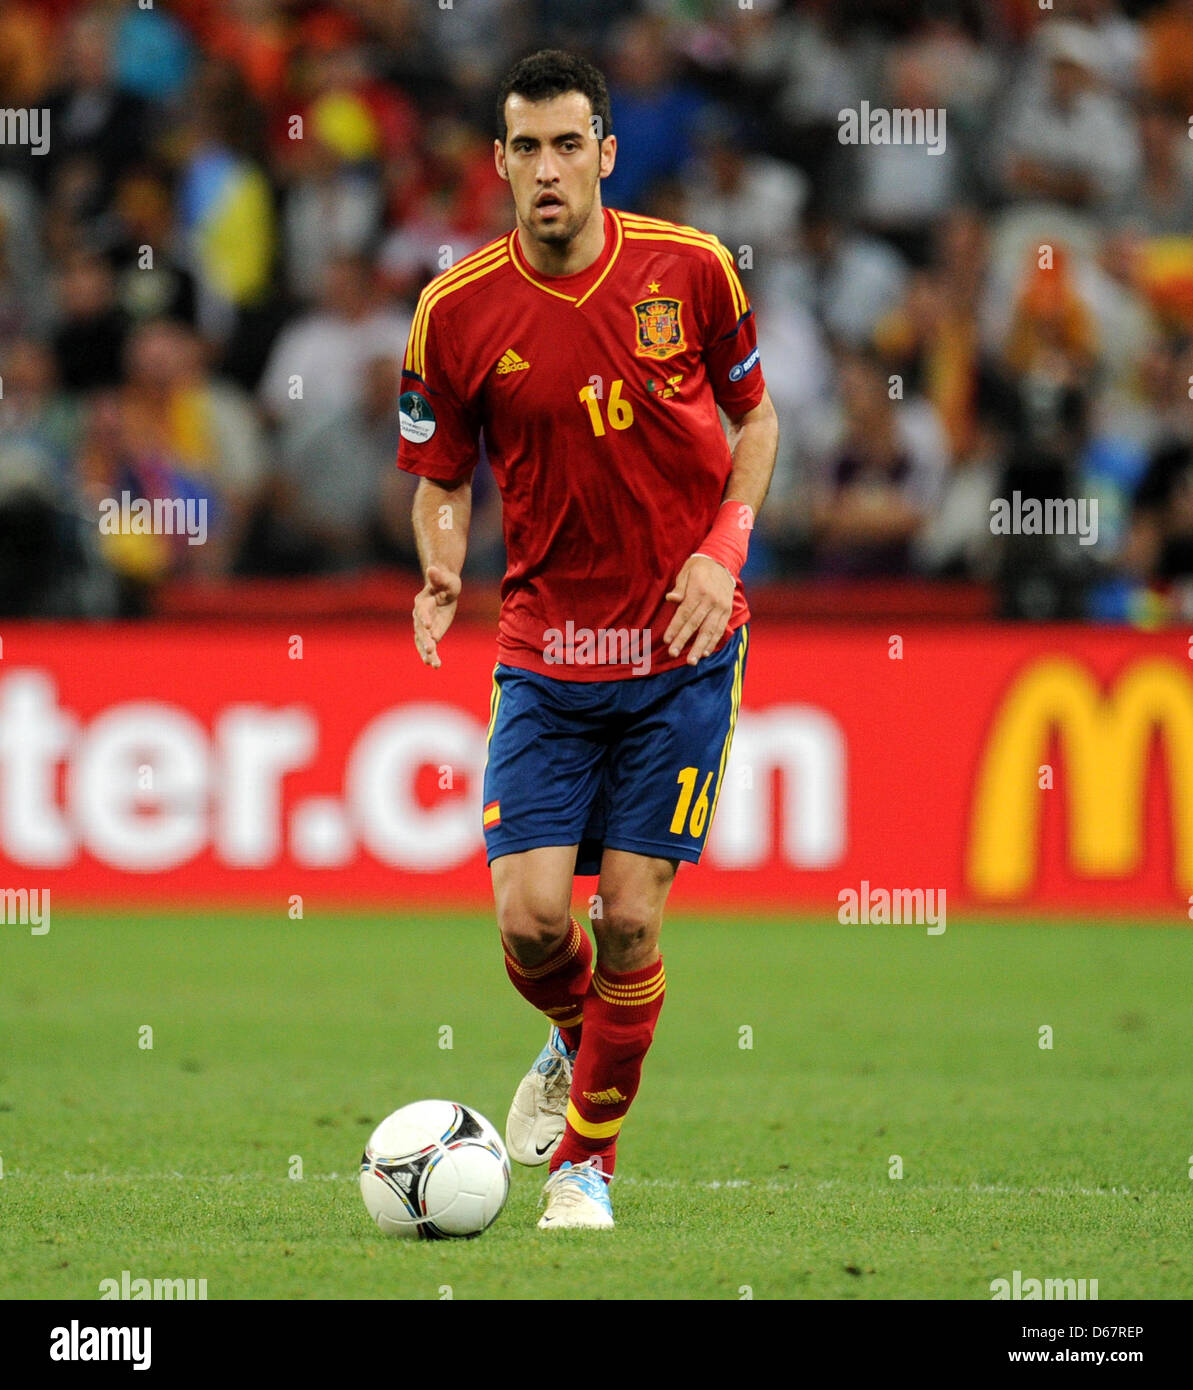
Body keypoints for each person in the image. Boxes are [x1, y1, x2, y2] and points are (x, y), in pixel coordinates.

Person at [396, 49, 778, 1230]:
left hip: (681, 646)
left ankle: (583, 1168)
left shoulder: (691, 270)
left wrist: (724, 548)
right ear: (499, 162)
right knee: (528, 920)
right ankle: (579, 1036)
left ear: (606, 154)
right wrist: (440, 557)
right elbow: (438, 474)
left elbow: (753, 417)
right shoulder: (453, 312)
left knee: (626, 916)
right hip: (546, 651)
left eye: (569, 145)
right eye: (525, 148)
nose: (547, 169)